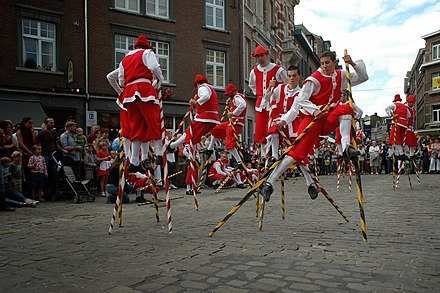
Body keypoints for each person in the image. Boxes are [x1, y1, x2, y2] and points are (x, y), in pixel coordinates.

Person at [261, 51, 368, 202]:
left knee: (346, 109)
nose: (324, 66)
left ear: (334, 62)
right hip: (311, 118)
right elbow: (298, 104)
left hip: (327, 116)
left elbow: (363, 77)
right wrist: (287, 120)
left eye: (327, 63)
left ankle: (345, 147)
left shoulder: (341, 75)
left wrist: (354, 64)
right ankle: (269, 183)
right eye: (322, 63)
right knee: (296, 155)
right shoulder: (313, 80)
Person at [118, 35, 164, 173]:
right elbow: (154, 67)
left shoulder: (124, 59)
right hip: (144, 89)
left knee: (136, 126)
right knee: (153, 121)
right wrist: (160, 79)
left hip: (129, 94)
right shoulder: (147, 53)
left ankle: (133, 160)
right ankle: (158, 153)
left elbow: (121, 80)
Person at [168, 74, 220, 193]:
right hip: (212, 119)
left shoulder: (202, 87)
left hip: (205, 117)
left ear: (197, 84)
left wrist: (195, 101)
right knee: (192, 135)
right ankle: (174, 147)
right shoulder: (212, 88)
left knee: (189, 134)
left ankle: (180, 147)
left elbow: (205, 97)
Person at [248, 45, 289, 147]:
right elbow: (252, 85)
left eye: (262, 55)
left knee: (273, 126)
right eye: (258, 56)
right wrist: (259, 93)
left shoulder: (277, 69)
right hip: (261, 103)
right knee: (261, 129)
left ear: (266, 55)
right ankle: (263, 154)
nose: (260, 58)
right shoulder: (254, 71)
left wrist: (278, 94)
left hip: (273, 102)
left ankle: (274, 153)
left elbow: (287, 83)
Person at [265, 65, 302, 162]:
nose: (291, 78)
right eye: (289, 76)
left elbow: (294, 111)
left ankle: (307, 174)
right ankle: (274, 155)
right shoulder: (280, 88)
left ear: (299, 76)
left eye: (294, 76)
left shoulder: (301, 93)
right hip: (280, 118)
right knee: (273, 129)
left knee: (296, 152)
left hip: (293, 122)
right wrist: (270, 88)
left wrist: (283, 121)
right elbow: (268, 99)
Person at [207, 83, 246, 168]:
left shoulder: (237, 98)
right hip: (231, 122)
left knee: (229, 144)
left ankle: (239, 161)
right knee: (215, 129)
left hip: (236, 123)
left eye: (229, 94)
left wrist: (233, 113)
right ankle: (210, 148)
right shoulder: (235, 98)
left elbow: (243, 105)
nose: (228, 95)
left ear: (233, 92)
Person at [35, 117, 59, 200]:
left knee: (54, 174)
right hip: (45, 155)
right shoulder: (41, 134)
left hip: (53, 155)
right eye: (50, 123)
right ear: (45, 123)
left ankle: (54, 193)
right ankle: (45, 193)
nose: (52, 124)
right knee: (45, 175)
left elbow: (56, 143)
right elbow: (37, 144)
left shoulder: (54, 133)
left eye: (53, 123)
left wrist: (62, 150)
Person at [385, 94, 410, 170]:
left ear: (395, 100)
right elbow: (408, 116)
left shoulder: (394, 105)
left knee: (394, 139)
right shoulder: (405, 107)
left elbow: (387, 109)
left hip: (397, 123)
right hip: (404, 125)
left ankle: (400, 154)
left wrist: (392, 115)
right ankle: (399, 153)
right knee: (401, 139)